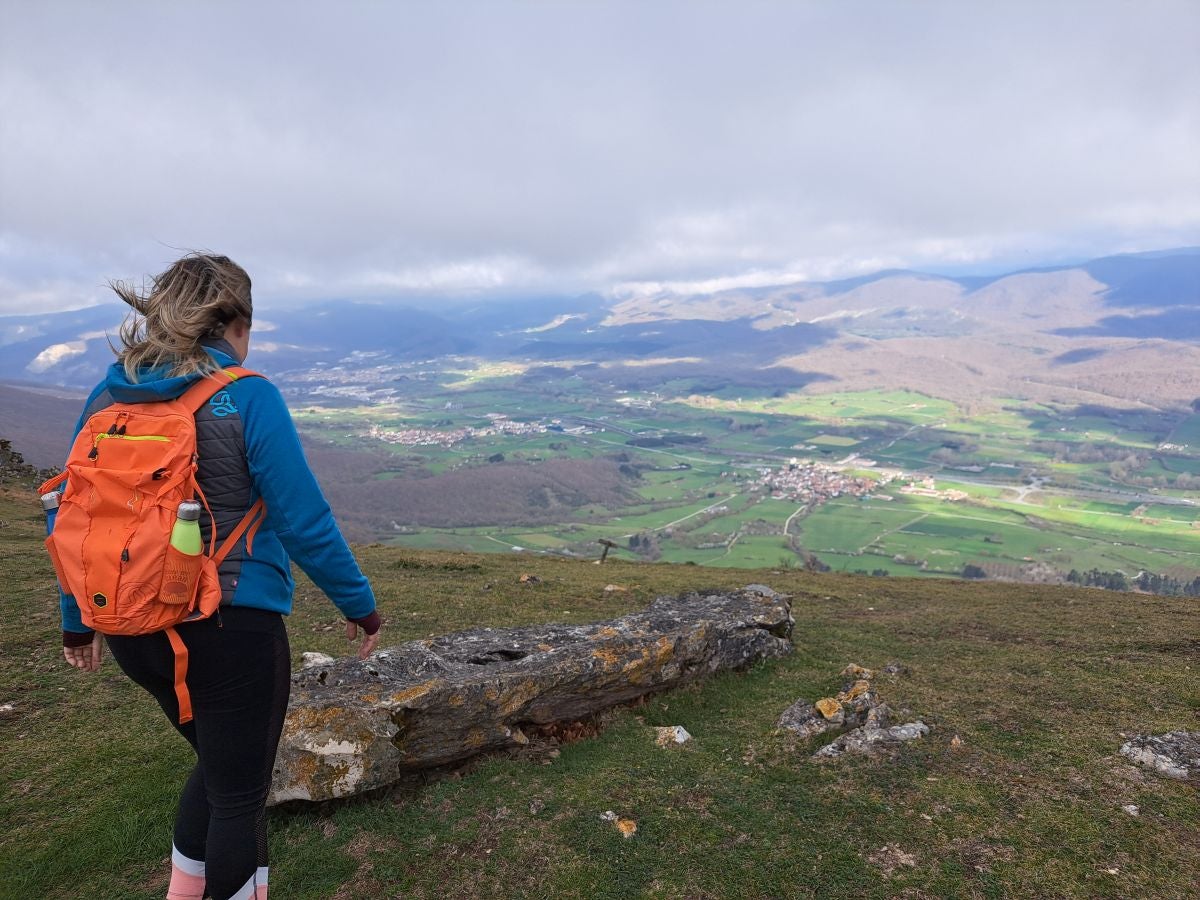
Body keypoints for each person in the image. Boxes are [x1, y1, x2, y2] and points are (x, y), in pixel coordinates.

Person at [58, 253, 381, 900]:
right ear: (238, 323)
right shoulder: (248, 394)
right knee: (238, 796)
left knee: (217, 768)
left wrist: (78, 621)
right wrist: (358, 604)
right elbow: (302, 518)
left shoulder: (107, 397)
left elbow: (75, 516)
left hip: (133, 630)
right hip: (230, 630)